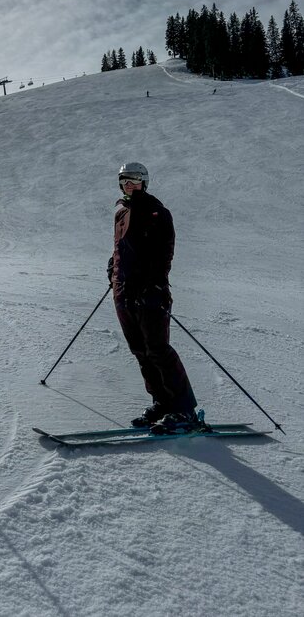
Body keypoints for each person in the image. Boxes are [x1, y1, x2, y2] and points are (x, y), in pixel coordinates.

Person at [107, 162, 198, 433]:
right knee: (140, 351)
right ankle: (162, 403)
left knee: (158, 349)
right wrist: (113, 269)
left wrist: (153, 287)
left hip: (150, 294)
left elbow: (163, 254)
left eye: (134, 180)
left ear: (144, 182)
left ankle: (184, 410)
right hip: (123, 292)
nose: (129, 185)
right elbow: (121, 249)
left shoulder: (157, 212)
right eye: (124, 180)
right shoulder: (121, 214)